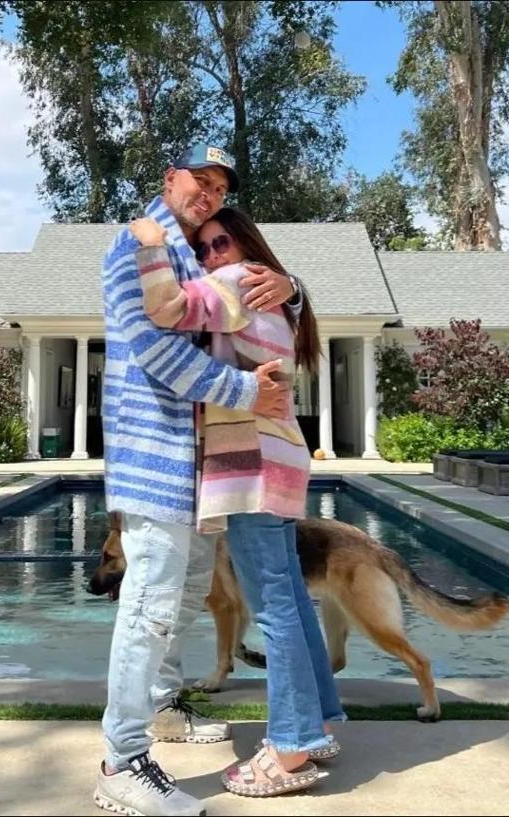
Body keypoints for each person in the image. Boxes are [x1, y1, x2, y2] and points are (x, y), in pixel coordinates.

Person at [95, 144, 302, 817]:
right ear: (170, 179)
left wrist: (292, 285)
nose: (209, 194)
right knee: (150, 603)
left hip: (202, 464)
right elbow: (154, 349)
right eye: (199, 180)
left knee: (185, 592)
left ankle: (161, 707)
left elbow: (247, 299)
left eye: (219, 187)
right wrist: (246, 391)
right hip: (155, 452)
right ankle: (121, 762)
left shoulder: (197, 253)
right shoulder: (137, 245)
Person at [129, 206, 347, 798]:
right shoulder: (275, 296)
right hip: (280, 459)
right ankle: (319, 723)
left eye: (219, 243)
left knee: (272, 606)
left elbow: (166, 308)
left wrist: (150, 245)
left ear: (245, 244)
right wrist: (295, 285)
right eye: (201, 250)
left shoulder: (235, 282)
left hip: (252, 464)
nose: (209, 257)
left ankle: (291, 747)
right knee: (290, 599)